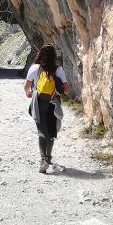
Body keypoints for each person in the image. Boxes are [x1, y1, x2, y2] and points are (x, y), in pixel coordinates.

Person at [24, 44, 69, 173]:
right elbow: (66, 90)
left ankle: (43, 160)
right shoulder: (58, 69)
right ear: (54, 56)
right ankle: (48, 157)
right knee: (51, 130)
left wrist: (29, 93)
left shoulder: (35, 68)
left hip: (39, 102)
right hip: (53, 102)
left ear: (40, 55)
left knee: (41, 131)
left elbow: (26, 86)